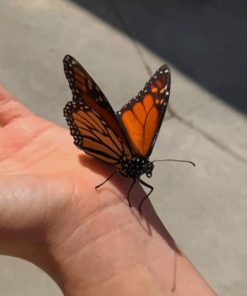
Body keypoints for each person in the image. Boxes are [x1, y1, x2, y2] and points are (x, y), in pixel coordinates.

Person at [0, 86, 216, 295]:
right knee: (125, 157)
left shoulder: (133, 158)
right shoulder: (131, 157)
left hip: (103, 145)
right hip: (99, 140)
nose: (147, 170)